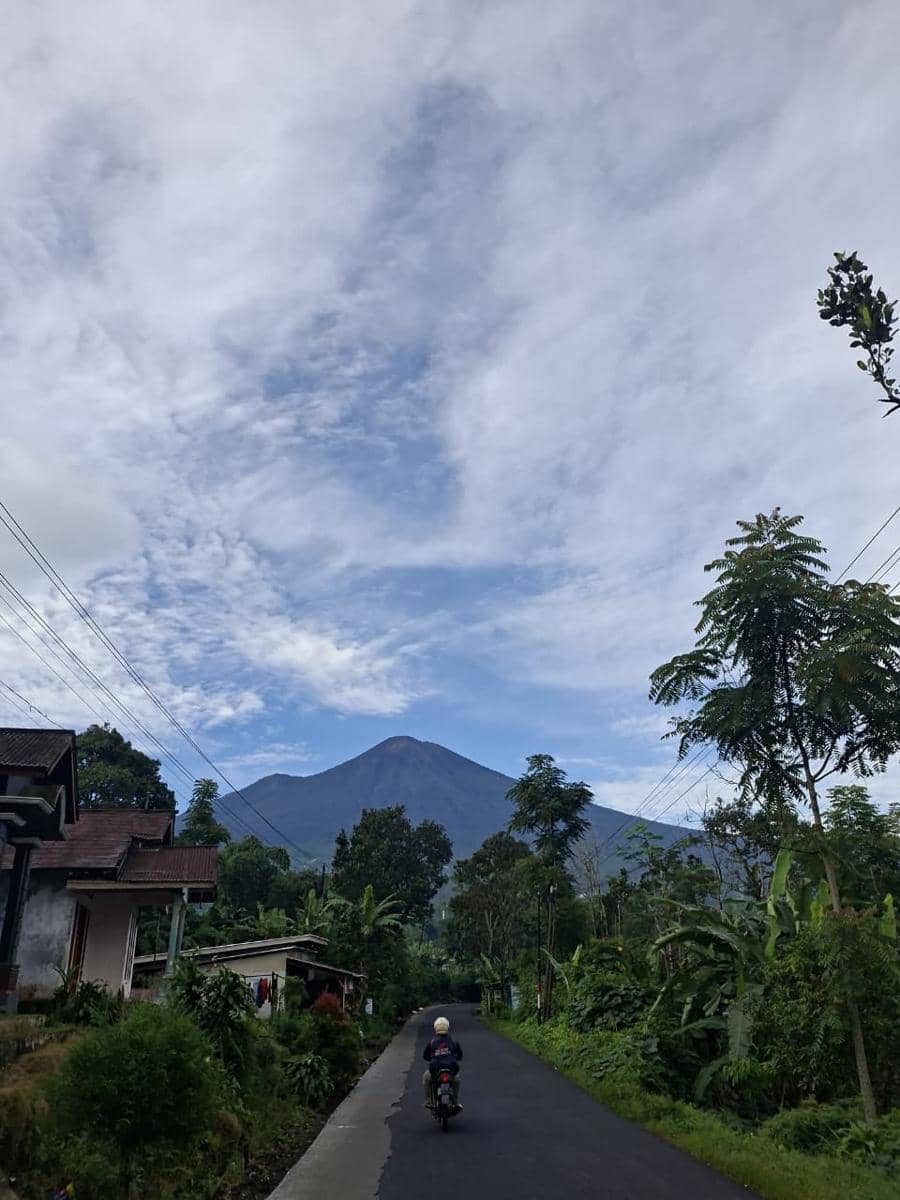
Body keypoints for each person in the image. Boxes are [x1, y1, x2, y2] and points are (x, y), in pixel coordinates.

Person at [422, 1015, 463, 1108]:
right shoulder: (453, 1041)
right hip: (451, 1070)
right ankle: (455, 1103)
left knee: (426, 1078)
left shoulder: (432, 1042)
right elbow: (460, 1055)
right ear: (447, 1027)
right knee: (456, 1080)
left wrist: (432, 1058)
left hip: (435, 1071)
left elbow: (425, 1056)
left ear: (435, 1028)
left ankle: (428, 1101)